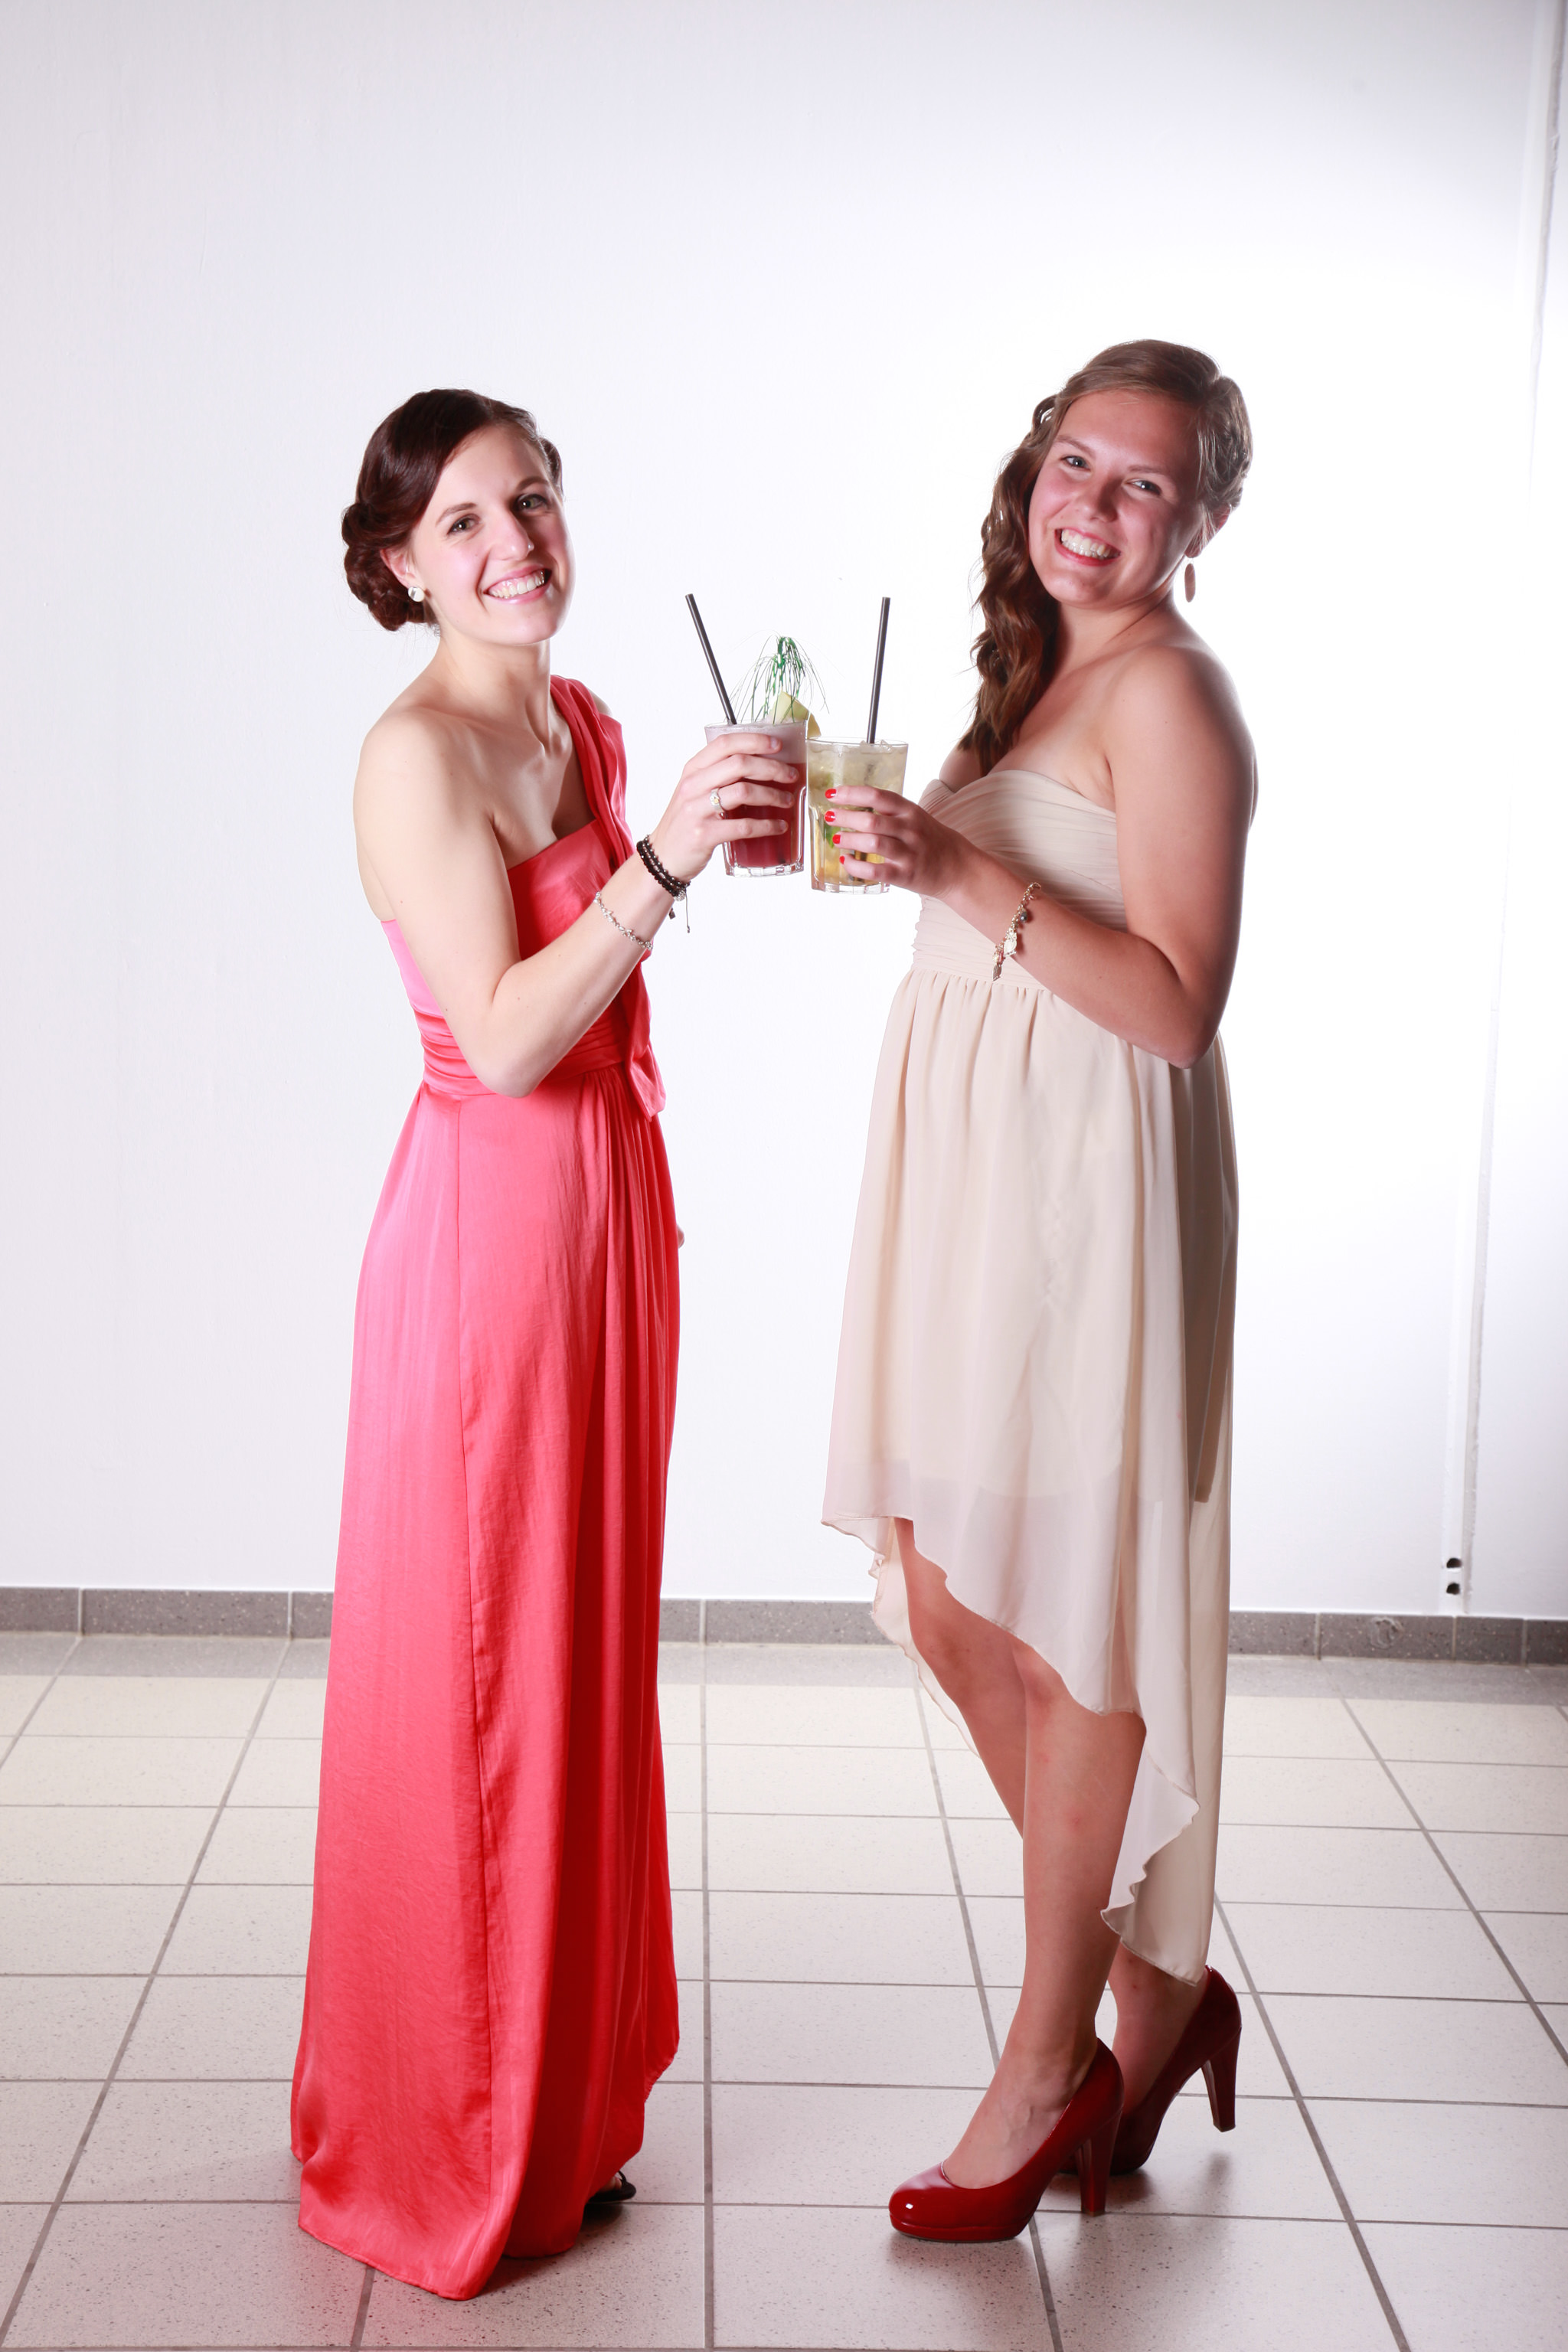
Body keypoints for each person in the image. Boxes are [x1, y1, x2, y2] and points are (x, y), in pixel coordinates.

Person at [290, 389, 798, 2298]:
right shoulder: (412, 756)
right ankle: (448, 2126)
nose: (516, 542)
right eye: (465, 522)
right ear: (400, 565)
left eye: (534, 499)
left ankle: (564, 2102)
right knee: (485, 1672)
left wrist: (713, 839)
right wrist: (658, 866)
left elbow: (607, 978)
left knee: (579, 1651)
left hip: (606, 1222)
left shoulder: (577, 719)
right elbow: (503, 1038)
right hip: (490, 1248)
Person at [822, 341, 1254, 2239]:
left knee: (1070, 1620)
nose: (1093, 504)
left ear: (1203, 518)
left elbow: (1172, 1005)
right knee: (945, 1589)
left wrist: (954, 867)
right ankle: (1151, 1984)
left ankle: (1043, 2059)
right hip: (978, 1185)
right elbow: (990, 918)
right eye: (1076, 461)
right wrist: (891, 853)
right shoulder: (1033, 666)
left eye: (1143, 482)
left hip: (1090, 1193)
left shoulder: (1172, 693)